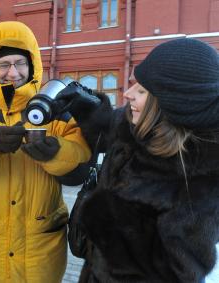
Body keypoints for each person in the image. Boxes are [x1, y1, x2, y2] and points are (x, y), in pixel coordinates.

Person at [0, 21, 91, 282]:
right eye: (3, 64)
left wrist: (54, 153)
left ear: (33, 64)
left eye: (20, 63)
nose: (13, 72)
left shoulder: (56, 108)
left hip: (42, 247)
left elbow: (78, 172)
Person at [61, 38, 219, 282]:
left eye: (142, 90)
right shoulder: (141, 127)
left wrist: (100, 215)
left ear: (173, 104)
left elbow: (177, 271)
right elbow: (109, 129)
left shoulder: (197, 178)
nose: (127, 93)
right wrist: (85, 108)